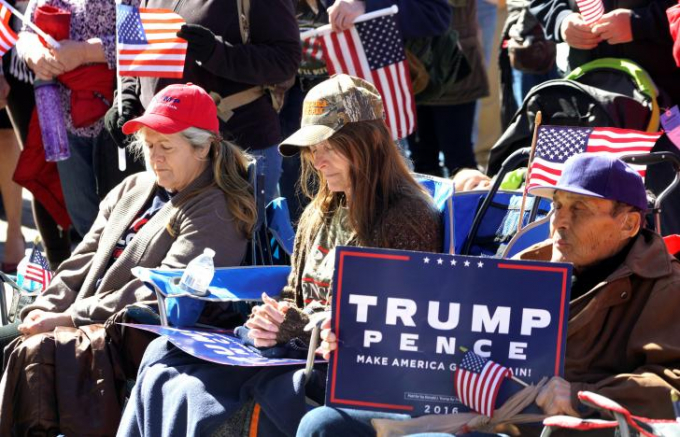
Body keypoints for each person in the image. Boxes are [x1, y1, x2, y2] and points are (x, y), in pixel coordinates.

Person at [117, 74, 443, 437]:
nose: (317, 162)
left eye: (328, 146)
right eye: (311, 150)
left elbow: (389, 331)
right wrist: (270, 316)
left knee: (196, 391)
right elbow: (294, 293)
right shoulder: (321, 211)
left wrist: (295, 326)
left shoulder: (407, 218)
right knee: (163, 355)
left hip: (339, 371)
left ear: (367, 142)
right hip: (292, 351)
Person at [298, 154, 680, 436]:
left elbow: (671, 386)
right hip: (463, 405)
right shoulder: (525, 265)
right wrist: (359, 331)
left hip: (549, 426)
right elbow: (447, 336)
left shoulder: (664, 286)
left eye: (579, 209)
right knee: (322, 423)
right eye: (557, 205)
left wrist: (580, 396)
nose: (559, 220)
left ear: (629, 223)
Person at [0, 83, 257, 435]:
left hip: (129, 335)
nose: (155, 158)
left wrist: (68, 317)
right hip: (86, 320)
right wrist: (42, 308)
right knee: (12, 338)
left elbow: (159, 292)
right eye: (150, 146)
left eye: (166, 147)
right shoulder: (136, 186)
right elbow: (82, 259)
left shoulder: (217, 207)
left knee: (17, 353)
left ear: (204, 148)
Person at [106, 0, 300, 207]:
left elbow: (286, 59)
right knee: (167, 236)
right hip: (162, 148)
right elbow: (134, 53)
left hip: (236, 147)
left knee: (238, 238)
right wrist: (125, 99)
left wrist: (216, 53)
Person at [17, 0, 128, 238]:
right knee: (84, 220)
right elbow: (25, 33)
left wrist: (86, 52)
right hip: (63, 120)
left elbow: (142, 42)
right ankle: (91, 271)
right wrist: (33, 54)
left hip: (119, 121)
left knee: (125, 216)